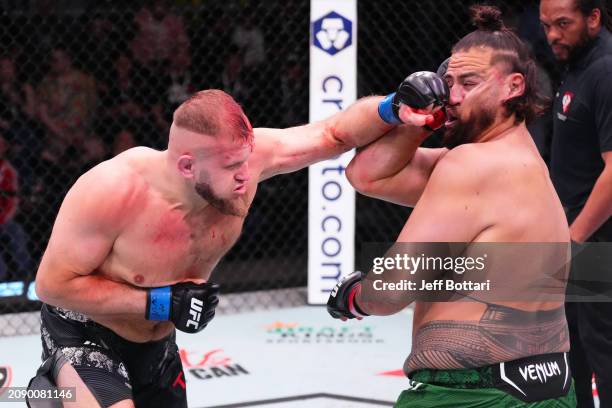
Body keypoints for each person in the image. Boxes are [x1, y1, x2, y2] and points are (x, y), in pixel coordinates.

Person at [29, 89, 396, 408]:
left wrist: (395, 106)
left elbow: (333, 133)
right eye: (232, 166)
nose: (245, 174)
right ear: (188, 167)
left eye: (246, 159)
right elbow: (52, 286)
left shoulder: (247, 161)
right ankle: (54, 391)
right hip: (84, 333)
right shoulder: (113, 190)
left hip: (155, 345)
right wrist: (162, 302)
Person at [327, 6, 576, 407]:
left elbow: (392, 290)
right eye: (447, 85)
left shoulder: (468, 166)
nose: (453, 96)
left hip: (472, 392)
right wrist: (423, 116)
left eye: (468, 83)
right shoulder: (523, 165)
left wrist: (356, 296)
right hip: (553, 386)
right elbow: (367, 174)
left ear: (513, 86)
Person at [540, 0, 612, 406]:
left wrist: (575, 236)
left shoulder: (605, 70)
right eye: (547, 25)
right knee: (574, 349)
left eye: (563, 23)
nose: (553, 35)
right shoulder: (578, 64)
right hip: (578, 235)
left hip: (595, 237)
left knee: (601, 348)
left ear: (594, 17)